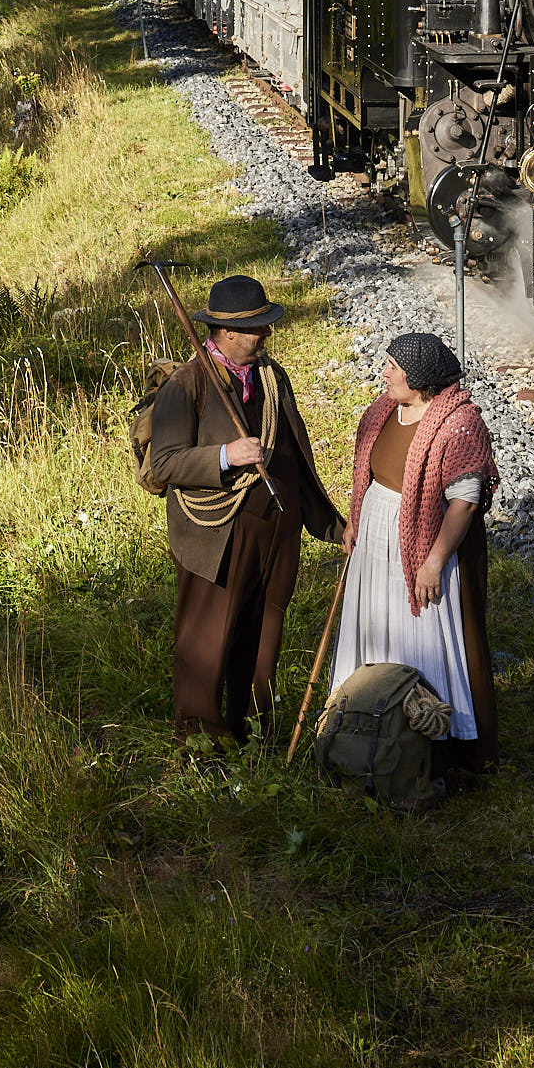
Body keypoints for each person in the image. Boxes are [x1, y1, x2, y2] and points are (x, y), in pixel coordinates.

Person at [145, 273, 345, 746]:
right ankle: (201, 739)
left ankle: (252, 729)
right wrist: (225, 456)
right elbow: (165, 462)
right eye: (256, 328)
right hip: (216, 536)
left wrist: (334, 528)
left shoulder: (272, 377)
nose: (265, 335)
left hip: (276, 530)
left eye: (266, 325)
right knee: (207, 640)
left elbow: (295, 458)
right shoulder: (187, 384)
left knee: (263, 635)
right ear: (226, 332)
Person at [331, 330, 499, 773]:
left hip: (424, 548)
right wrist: (356, 521)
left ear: (420, 377)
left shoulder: (458, 426)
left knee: (421, 639)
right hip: (377, 542)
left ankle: (431, 742)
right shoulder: (383, 411)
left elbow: (463, 504)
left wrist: (434, 561)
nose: (385, 372)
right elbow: (366, 475)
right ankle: (368, 720)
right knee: (377, 625)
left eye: (394, 368)